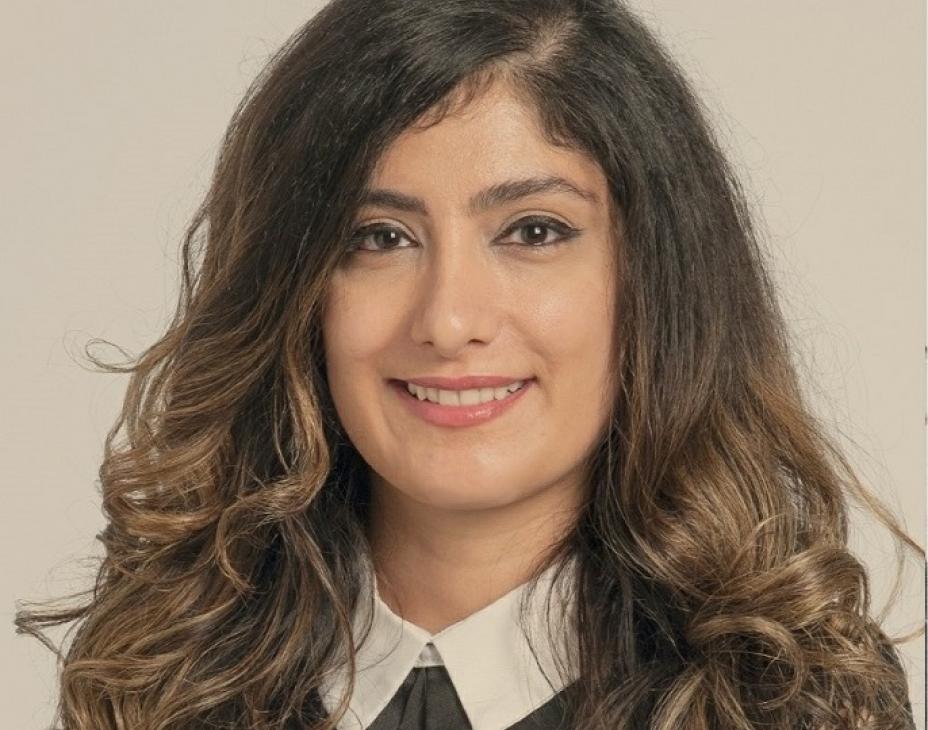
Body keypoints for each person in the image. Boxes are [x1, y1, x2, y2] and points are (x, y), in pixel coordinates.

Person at [15, 1, 921, 728]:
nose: (448, 320)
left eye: (533, 231)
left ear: (655, 278)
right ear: (297, 290)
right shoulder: (158, 684)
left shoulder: (793, 705)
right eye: (379, 237)